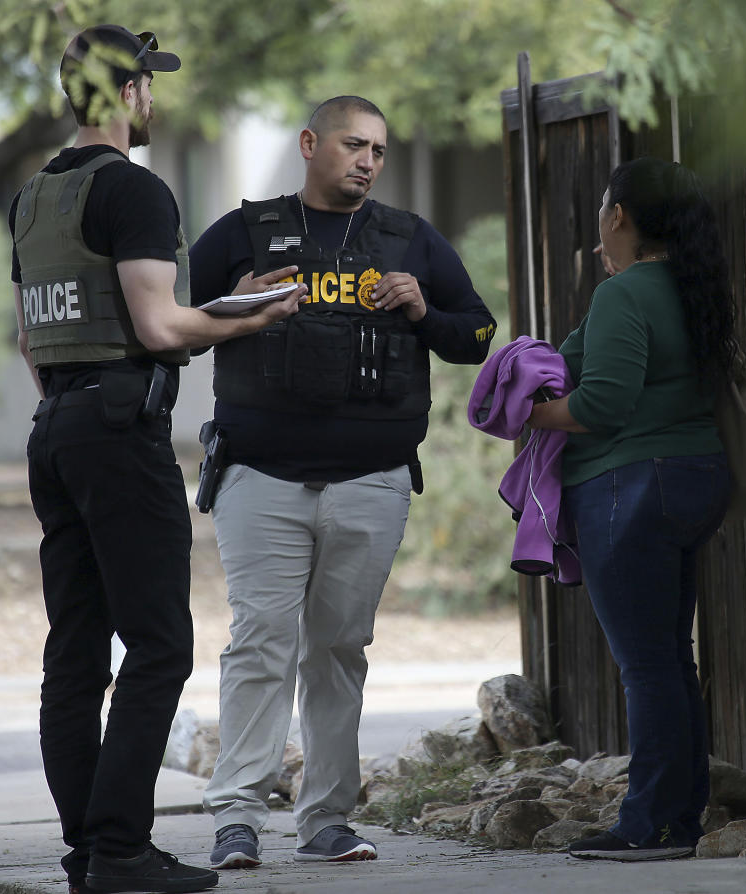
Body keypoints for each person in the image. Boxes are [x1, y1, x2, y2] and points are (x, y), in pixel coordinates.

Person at [9, 25, 304, 894]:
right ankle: (122, 851)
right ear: (132, 93)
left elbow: (36, 335)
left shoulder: (33, 197)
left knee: (75, 654)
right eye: (150, 85)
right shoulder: (133, 188)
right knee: (160, 645)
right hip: (118, 434)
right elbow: (158, 328)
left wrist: (207, 307)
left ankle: (87, 851)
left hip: (57, 427)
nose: (154, 100)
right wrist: (249, 318)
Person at [188, 95, 497, 869]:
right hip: (261, 477)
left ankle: (326, 821)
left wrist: (426, 309)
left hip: (372, 481)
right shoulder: (244, 232)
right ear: (309, 144)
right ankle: (237, 819)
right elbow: (170, 324)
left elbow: (480, 335)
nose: (368, 161)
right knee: (261, 642)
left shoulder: (408, 239)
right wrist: (240, 301)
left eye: (379, 151)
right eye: (354, 145)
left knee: (338, 648)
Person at [528, 156, 736, 861]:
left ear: (618, 217)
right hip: (694, 478)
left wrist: (532, 413)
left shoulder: (625, 295)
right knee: (670, 659)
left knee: (646, 667)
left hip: (629, 485)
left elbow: (604, 404)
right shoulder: (694, 284)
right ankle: (680, 819)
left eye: (601, 220)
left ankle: (644, 824)